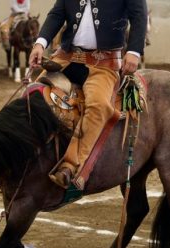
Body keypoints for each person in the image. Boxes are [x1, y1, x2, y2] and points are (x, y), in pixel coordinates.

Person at [29, 0, 148, 189]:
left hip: (103, 63)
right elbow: (57, 14)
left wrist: (133, 51)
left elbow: (139, 15)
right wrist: (40, 43)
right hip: (65, 58)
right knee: (31, 96)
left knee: (98, 106)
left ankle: (71, 165)